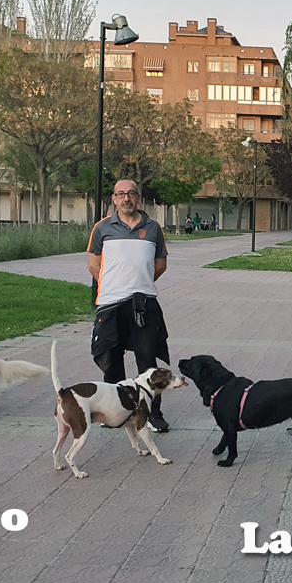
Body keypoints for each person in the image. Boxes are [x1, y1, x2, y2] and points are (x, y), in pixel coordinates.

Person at [89, 179, 172, 431]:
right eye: (121, 194)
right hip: (110, 304)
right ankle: (116, 413)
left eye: (132, 194)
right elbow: (93, 265)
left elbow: (160, 265)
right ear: (114, 198)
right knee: (111, 360)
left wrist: (140, 283)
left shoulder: (154, 228)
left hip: (143, 304)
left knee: (147, 362)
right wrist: (115, 286)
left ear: (139, 198)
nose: (126, 199)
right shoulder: (102, 228)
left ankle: (152, 415)